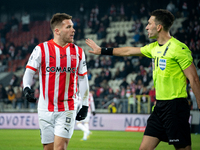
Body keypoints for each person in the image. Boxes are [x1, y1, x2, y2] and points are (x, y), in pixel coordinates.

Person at [85, 9, 200, 150]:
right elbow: (128, 51)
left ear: (159, 27)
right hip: (159, 108)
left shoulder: (179, 49)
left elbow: (194, 79)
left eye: (149, 23)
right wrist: (102, 50)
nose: (146, 27)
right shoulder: (153, 48)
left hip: (175, 107)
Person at [23, 13, 89, 150]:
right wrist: (27, 88)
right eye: (69, 27)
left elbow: (82, 79)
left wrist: (85, 104)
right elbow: (29, 72)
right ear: (57, 31)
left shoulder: (78, 52)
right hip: (44, 108)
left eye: (73, 26)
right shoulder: (41, 49)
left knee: (59, 148)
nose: (73, 29)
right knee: (48, 148)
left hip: (67, 108)